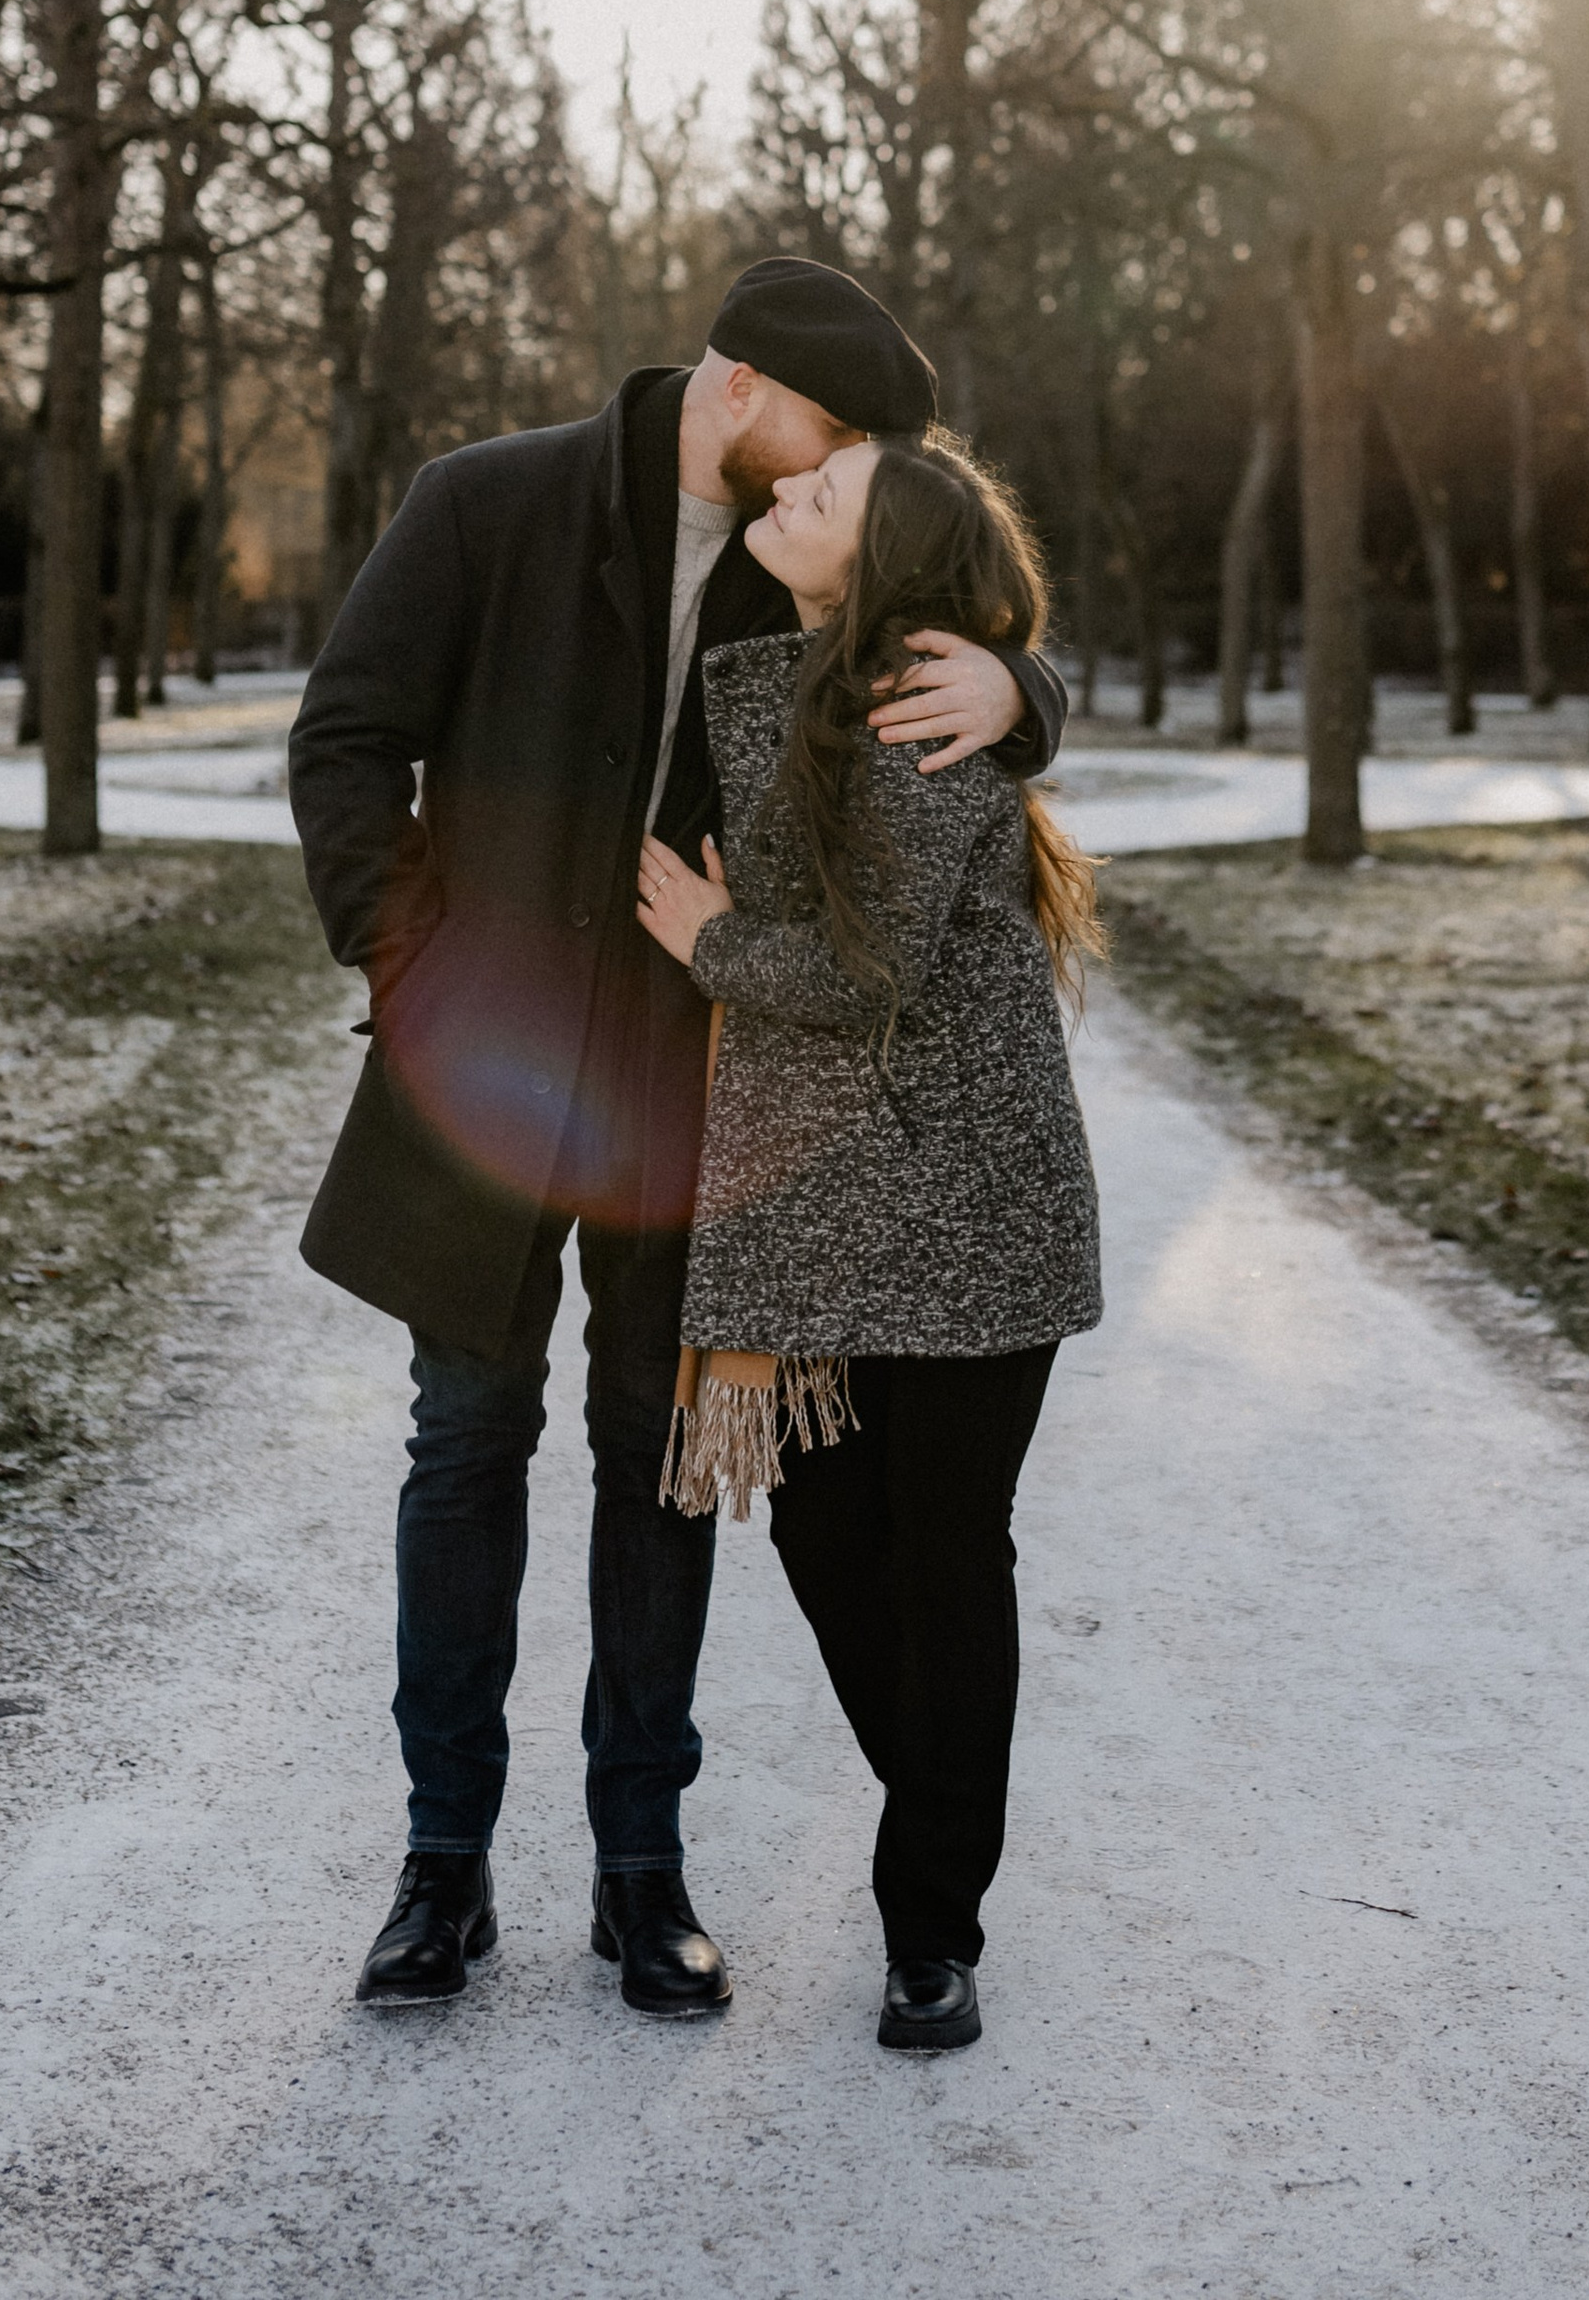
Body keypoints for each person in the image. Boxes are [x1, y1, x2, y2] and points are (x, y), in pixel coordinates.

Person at [286, 260, 1066, 2015]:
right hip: (482, 1079)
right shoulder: (485, 503)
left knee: (659, 1458)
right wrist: (411, 966)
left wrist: (1026, 690)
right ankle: (441, 1866)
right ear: (743, 390)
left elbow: (957, 611)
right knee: (464, 1442)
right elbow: (346, 738)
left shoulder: (805, 556)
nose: (843, 474)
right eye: (836, 432)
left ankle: (641, 1868)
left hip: (692, 1077)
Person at [635, 429, 1104, 2054]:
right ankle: (949, 1806)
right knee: (827, 1533)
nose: (786, 495)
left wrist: (711, 941)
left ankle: (931, 1934)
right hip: (838, 1202)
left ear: (882, 564)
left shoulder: (916, 708)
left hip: (974, 1202)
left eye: (820, 497)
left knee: (946, 1548)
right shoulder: (813, 667)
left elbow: (861, 972)